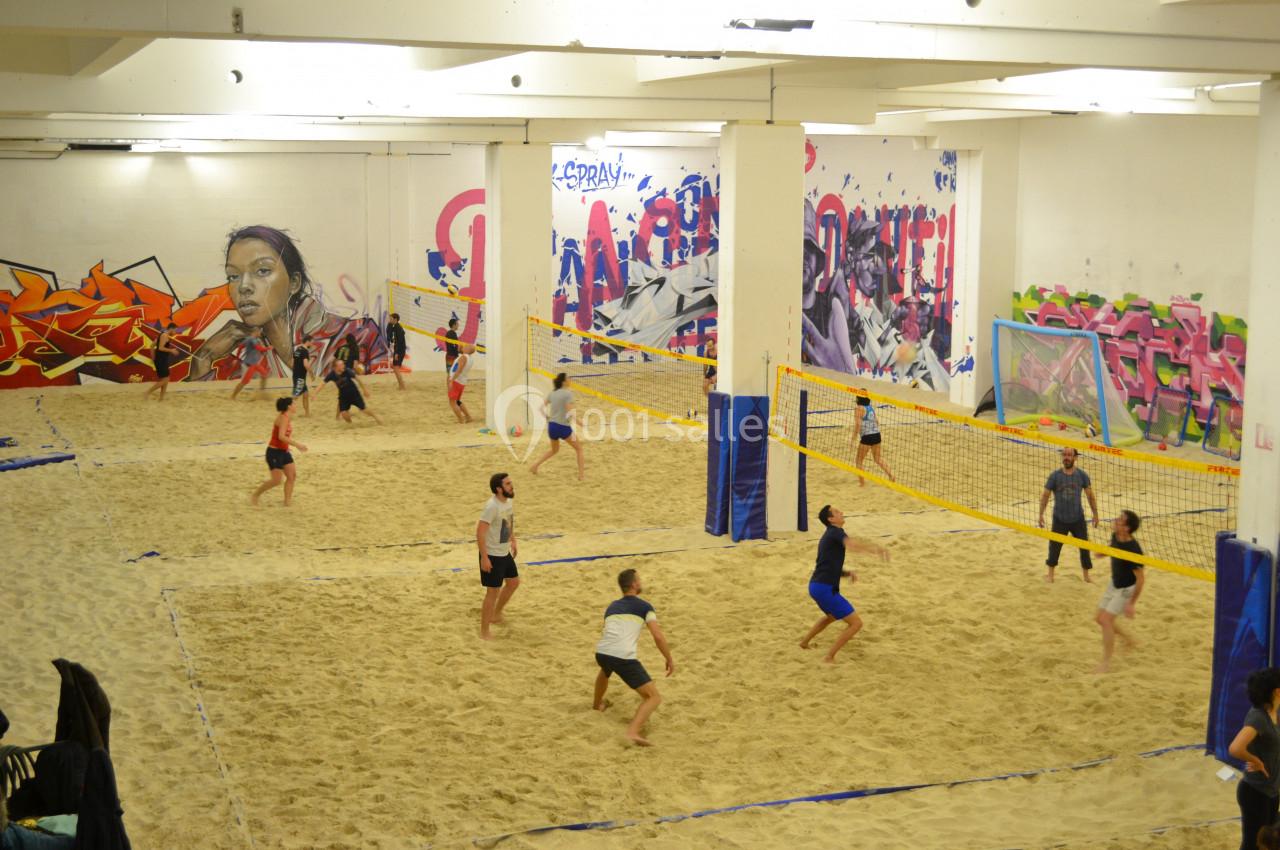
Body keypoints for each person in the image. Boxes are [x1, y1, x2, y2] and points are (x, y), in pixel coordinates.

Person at [189, 226, 389, 381]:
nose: (244, 286)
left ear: (294, 283)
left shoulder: (361, 336)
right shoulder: (248, 365)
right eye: (233, 276)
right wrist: (202, 359)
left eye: (262, 271)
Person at [592, 568, 675, 747]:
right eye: (639, 580)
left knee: (605, 669)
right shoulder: (645, 607)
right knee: (654, 697)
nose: (641, 582)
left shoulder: (612, 606)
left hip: (602, 652)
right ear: (634, 584)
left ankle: (597, 705)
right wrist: (668, 658)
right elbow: (658, 636)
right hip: (622, 656)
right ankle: (632, 732)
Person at [799, 505, 890, 663]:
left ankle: (804, 642)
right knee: (856, 624)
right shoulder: (836, 532)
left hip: (816, 585)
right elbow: (852, 545)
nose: (841, 513)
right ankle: (829, 657)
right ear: (831, 519)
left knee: (831, 617)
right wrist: (876, 550)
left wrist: (846, 573)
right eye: (836, 512)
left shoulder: (829, 535)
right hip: (824, 588)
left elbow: (827, 564)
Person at [1229, 667, 1280, 850]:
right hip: (1255, 792)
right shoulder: (1258, 717)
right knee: (1253, 845)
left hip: (1271, 791)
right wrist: (1256, 761)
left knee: (1268, 843)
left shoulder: (1273, 712)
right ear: (1277, 691)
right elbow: (1235, 748)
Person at [1038, 446, 1100, 583]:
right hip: (1059, 518)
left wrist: (1095, 514)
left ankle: (1086, 576)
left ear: (1075, 458)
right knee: (1054, 547)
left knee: (1084, 547)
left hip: (1078, 518)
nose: (1066, 457)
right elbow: (1045, 496)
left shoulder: (1082, 475)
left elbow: (1090, 496)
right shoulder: (1055, 476)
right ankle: (1050, 575)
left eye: (1069, 455)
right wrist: (1041, 514)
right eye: (1064, 455)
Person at [1095, 509, 1144, 673]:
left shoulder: (1133, 550)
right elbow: (1113, 546)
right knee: (1098, 618)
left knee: (1105, 620)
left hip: (1126, 590)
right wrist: (1104, 553)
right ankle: (1129, 640)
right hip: (1114, 583)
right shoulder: (1116, 535)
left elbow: (1141, 579)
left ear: (1127, 528)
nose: (1115, 520)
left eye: (1120, 520)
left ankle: (1105, 663)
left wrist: (1131, 603)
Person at [476, 472, 519, 640]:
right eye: (508, 484)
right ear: (499, 489)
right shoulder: (491, 507)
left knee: (513, 582)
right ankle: (484, 631)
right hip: (492, 554)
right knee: (492, 592)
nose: (511, 486)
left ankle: (496, 614)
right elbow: (480, 533)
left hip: (503, 551)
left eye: (510, 482)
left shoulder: (508, 502)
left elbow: (507, 522)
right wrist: (484, 558)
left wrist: (513, 539)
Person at [251, 397, 308, 506]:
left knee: (292, 476)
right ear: (289, 406)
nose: (296, 406)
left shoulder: (287, 417)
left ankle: (287, 502)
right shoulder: (283, 418)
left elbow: (283, 437)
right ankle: (256, 495)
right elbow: (281, 436)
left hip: (284, 451)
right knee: (276, 480)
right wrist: (297, 445)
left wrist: (287, 446)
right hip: (274, 452)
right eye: (294, 404)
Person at [530, 373, 585, 480]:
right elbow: (569, 411)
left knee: (554, 450)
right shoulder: (567, 394)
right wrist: (579, 422)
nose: (570, 379)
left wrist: (547, 418)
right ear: (564, 382)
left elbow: (540, 408)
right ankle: (581, 476)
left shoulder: (552, 393)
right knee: (579, 449)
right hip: (563, 428)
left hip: (552, 427)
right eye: (568, 378)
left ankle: (535, 466)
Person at [315, 358, 382, 425]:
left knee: (363, 409)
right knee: (344, 413)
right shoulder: (331, 374)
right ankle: (350, 424)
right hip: (343, 396)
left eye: (343, 364)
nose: (343, 366)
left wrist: (365, 390)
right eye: (341, 365)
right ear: (335, 367)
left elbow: (358, 379)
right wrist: (315, 393)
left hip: (354, 393)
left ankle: (376, 417)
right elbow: (322, 384)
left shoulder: (347, 371)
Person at [852, 391, 894, 486]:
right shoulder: (870, 408)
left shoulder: (858, 408)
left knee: (858, 461)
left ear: (858, 398)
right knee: (878, 459)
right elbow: (877, 422)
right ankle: (891, 476)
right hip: (877, 435)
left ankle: (862, 484)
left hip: (867, 437)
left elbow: (858, 424)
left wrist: (853, 438)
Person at [229, 326, 271, 400]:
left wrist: (237, 358)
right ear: (256, 332)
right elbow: (258, 348)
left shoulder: (249, 339)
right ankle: (233, 396)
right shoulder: (252, 339)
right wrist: (268, 348)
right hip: (250, 364)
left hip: (254, 363)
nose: (260, 333)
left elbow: (240, 347)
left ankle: (262, 392)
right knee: (244, 382)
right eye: (259, 332)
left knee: (264, 375)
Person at [145, 321, 180, 401]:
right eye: (175, 330)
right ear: (171, 328)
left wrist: (153, 358)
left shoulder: (162, 334)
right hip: (161, 360)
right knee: (165, 380)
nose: (175, 332)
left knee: (165, 379)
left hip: (160, 360)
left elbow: (152, 346)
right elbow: (161, 348)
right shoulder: (164, 335)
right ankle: (147, 392)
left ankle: (161, 398)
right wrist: (171, 350)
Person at [449, 343, 476, 424]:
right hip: (462, 381)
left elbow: (459, 370)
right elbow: (462, 354)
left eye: (465, 346)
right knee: (457, 401)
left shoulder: (463, 357)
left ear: (467, 349)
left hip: (456, 381)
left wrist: (451, 380)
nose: (463, 346)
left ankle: (461, 419)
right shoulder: (470, 358)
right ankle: (468, 417)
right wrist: (460, 349)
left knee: (452, 402)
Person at [291, 334, 314, 416]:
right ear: (307, 341)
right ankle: (286, 412)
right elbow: (306, 365)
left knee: (305, 394)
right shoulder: (305, 351)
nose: (312, 344)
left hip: (297, 376)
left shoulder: (297, 350)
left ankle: (307, 414)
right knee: (295, 396)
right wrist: (312, 374)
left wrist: (296, 371)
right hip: (300, 377)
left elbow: (292, 363)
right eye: (311, 342)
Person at [386, 312, 407, 390]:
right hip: (398, 349)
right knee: (396, 367)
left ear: (395, 319)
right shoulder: (395, 327)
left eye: (391, 319)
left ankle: (402, 386)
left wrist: (397, 353)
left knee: (396, 368)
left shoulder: (398, 328)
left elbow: (400, 342)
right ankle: (401, 385)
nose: (389, 320)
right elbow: (391, 338)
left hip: (400, 350)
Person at [444, 317, 460, 391]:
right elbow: (454, 346)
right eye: (457, 324)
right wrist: (460, 350)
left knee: (452, 372)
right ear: (454, 325)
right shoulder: (451, 334)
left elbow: (454, 345)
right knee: (451, 373)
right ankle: (450, 389)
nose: (458, 325)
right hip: (451, 356)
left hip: (452, 355)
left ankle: (451, 388)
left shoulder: (451, 333)